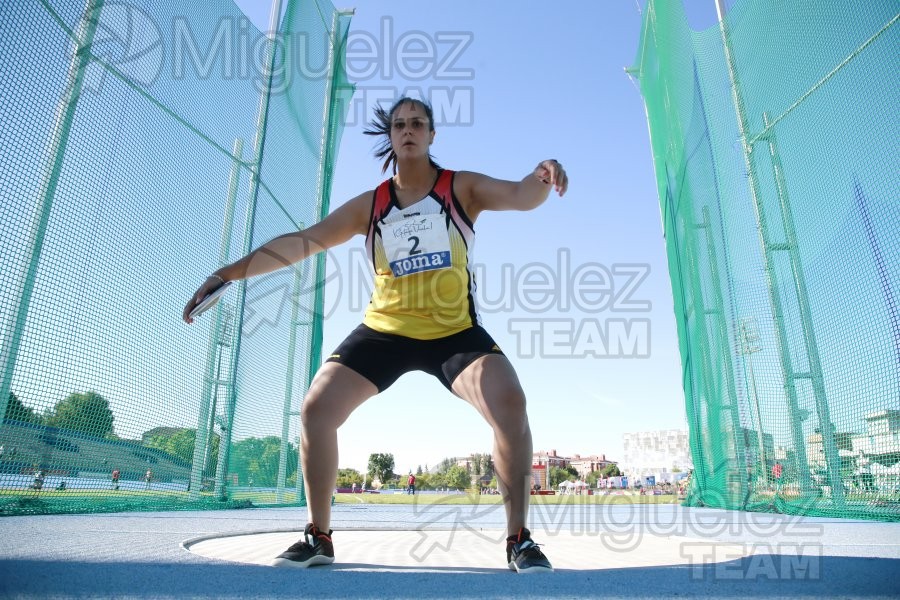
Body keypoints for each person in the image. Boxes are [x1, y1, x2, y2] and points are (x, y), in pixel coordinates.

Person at [183, 97, 567, 573]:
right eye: (400, 124)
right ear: (390, 136)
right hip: (385, 330)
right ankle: (318, 536)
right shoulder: (372, 205)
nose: (408, 130)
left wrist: (542, 176)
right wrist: (231, 272)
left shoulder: (460, 188)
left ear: (431, 135)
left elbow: (519, 195)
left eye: (418, 123)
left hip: (453, 332)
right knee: (316, 409)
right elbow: (305, 242)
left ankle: (518, 540)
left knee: (509, 401)